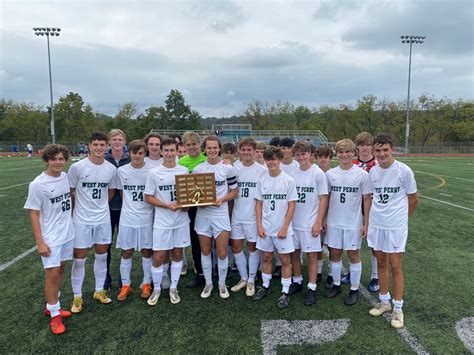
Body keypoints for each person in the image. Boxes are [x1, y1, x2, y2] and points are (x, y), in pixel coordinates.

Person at [368, 133, 418, 329]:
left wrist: (401, 220)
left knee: (396, 265)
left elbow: (413, 199)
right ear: (374, 151)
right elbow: (374, 197)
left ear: (392, 150)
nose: (381, 154)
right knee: (380, 262)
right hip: (377, 224)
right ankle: (384, 301)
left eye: (385, 150)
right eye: (378, 150)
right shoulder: (373, 172)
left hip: (395, 226)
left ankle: (398, 307)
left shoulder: (403, 171)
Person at [24, 144, 74, 334]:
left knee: (60, 269)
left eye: (61, 159)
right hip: (50, 236)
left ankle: (52, 305)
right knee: (52, 274)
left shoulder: (64, 177)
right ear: (46, 161)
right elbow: (34, 214)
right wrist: (40, 242)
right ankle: (55, 316)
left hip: (67, 233)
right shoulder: (38, 184)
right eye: (53, 159)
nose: (57, 162)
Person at [68, 131, 117, 313]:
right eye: (95, 145)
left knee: (102, 255)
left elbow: (111, 192)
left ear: (107, 146)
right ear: (89, 145)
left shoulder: (111, 169)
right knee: (79, 257)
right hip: (81, 219)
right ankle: (77, 296)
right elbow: (70, 190)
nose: (98, 148)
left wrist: (101, 207)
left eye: (102, 145)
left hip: (102, 219)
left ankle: (99, 291)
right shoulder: (78, 168)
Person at [324, 139, 372, 306]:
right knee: (335, 254)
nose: (344, 155)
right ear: (337, 154)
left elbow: (367, 199)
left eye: (347, 152)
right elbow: (326, 198)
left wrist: (366, 222)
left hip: (353, 222)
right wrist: (323, 219)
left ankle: (354, 289)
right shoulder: (330, 174)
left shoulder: (362, 175)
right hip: (334, 221)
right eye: (341, 152)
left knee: (353, 255)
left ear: (354, 153)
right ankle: (336, 285)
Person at [144, 138, 190, 305]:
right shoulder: (154, 173)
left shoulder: (184, 171)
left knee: (178, 253)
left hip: (181, 220)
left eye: (173, 150)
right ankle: (156, 288)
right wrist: (165, 205)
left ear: (177, 151)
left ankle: (173, 287)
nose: (170, 154)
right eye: (167, 150)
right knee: (159, 255)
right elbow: (148, 197)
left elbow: (189, 198)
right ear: (161, 152)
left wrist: (184, 205)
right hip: (162, 221)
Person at [193, 136, 238, 299]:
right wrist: (199, 203)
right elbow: (194, 195)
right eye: (209, 148)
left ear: (219, 149)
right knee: (205, 251)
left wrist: (222, 199)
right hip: (203, 215)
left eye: (215, 147)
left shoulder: (228, 168)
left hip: (220, 214)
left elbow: (234, 191)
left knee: (222, 252)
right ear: (204, 149)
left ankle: (221, 283)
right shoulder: (198, 169)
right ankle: (208, 283)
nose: (212, 150)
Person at [252, 146, 297, 309]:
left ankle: (285, 291)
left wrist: (285, 227)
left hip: (282, 230)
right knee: (266, 258)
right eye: (268, 159)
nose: (271, 162)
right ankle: (265, 286)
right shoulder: (261, 179)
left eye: (274, 159)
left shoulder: (288, 180)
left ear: (279, 160)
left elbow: (292, 205)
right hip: (266, 228)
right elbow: (258, 204)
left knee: (285, 260)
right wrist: (259, 225)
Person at [288, 141, 329, 306]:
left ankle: (311, 287)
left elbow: (323, 198)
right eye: (297, 154)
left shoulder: (318, 173)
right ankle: (297, 281)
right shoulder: (292, 173)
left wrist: (318, 221)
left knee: (312, 255)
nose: (301, 157)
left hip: (310, 222)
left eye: (303, 154)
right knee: (295, 253)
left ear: (310, 154)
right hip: (294, 222)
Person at [115, 140, 154, 302]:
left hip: (146, 217)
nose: (137, 156)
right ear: (129, 153)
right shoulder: (122, 171)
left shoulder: (152, 171)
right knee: (127, 251)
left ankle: (146, 283)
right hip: (128, 218)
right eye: (134, 153)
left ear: (144, 153)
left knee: (146, 250)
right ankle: (126, 285)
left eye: (140, 153)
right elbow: (122, 193)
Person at [341, 132, 380, 292]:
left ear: (372, 146)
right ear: (357, 147)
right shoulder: (353, 164)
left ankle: (375, 276)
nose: (365, 148)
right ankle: (353, 271)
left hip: (374, 210)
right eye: (362, 145)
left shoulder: (379, 164)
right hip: (355, 211)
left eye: (368, 145)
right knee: (353, 245)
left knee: (374, 245)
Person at [229, 138, 266, 296]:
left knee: (252, 248)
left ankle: (251, 279)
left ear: (253, 150)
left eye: (249, 150)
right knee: (236, 247)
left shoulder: (261, 170)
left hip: (253, 217)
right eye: (243, 150)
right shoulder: (233, 168)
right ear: (239, 151)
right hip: (237, 215)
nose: (246, 153)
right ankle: (243, 277)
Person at [178, 131, 207, 289]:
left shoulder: (207, 159)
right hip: (191, 207)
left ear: (199, 145)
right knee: (195, 240)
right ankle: (200, 273)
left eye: (194, 144)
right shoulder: (181, 162)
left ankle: (215, 269)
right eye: (188, 144)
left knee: (210, 241)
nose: (191, 147)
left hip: (208, 206)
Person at [104, 129, 130, 291]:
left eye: (120, 139)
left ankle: (123, 276)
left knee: (125, 244)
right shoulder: (104, 160)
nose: (117, 142)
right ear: (109, 142)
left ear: (124, 141)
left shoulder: (130, 159)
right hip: (106, 209)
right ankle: (106, 277)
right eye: (114, 139)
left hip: (126, 210)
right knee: (105, 244)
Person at [315, 146, 334, 288]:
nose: (323, 159)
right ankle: (319, 271)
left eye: (325, 157)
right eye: (320, 156)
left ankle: (332, 274)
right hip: (314, 216)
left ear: (330, 158)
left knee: (333, 247)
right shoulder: (313, 173)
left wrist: (325, 218)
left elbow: (328, 199)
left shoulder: (334, 174)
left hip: (331, 216)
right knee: (317, 246)